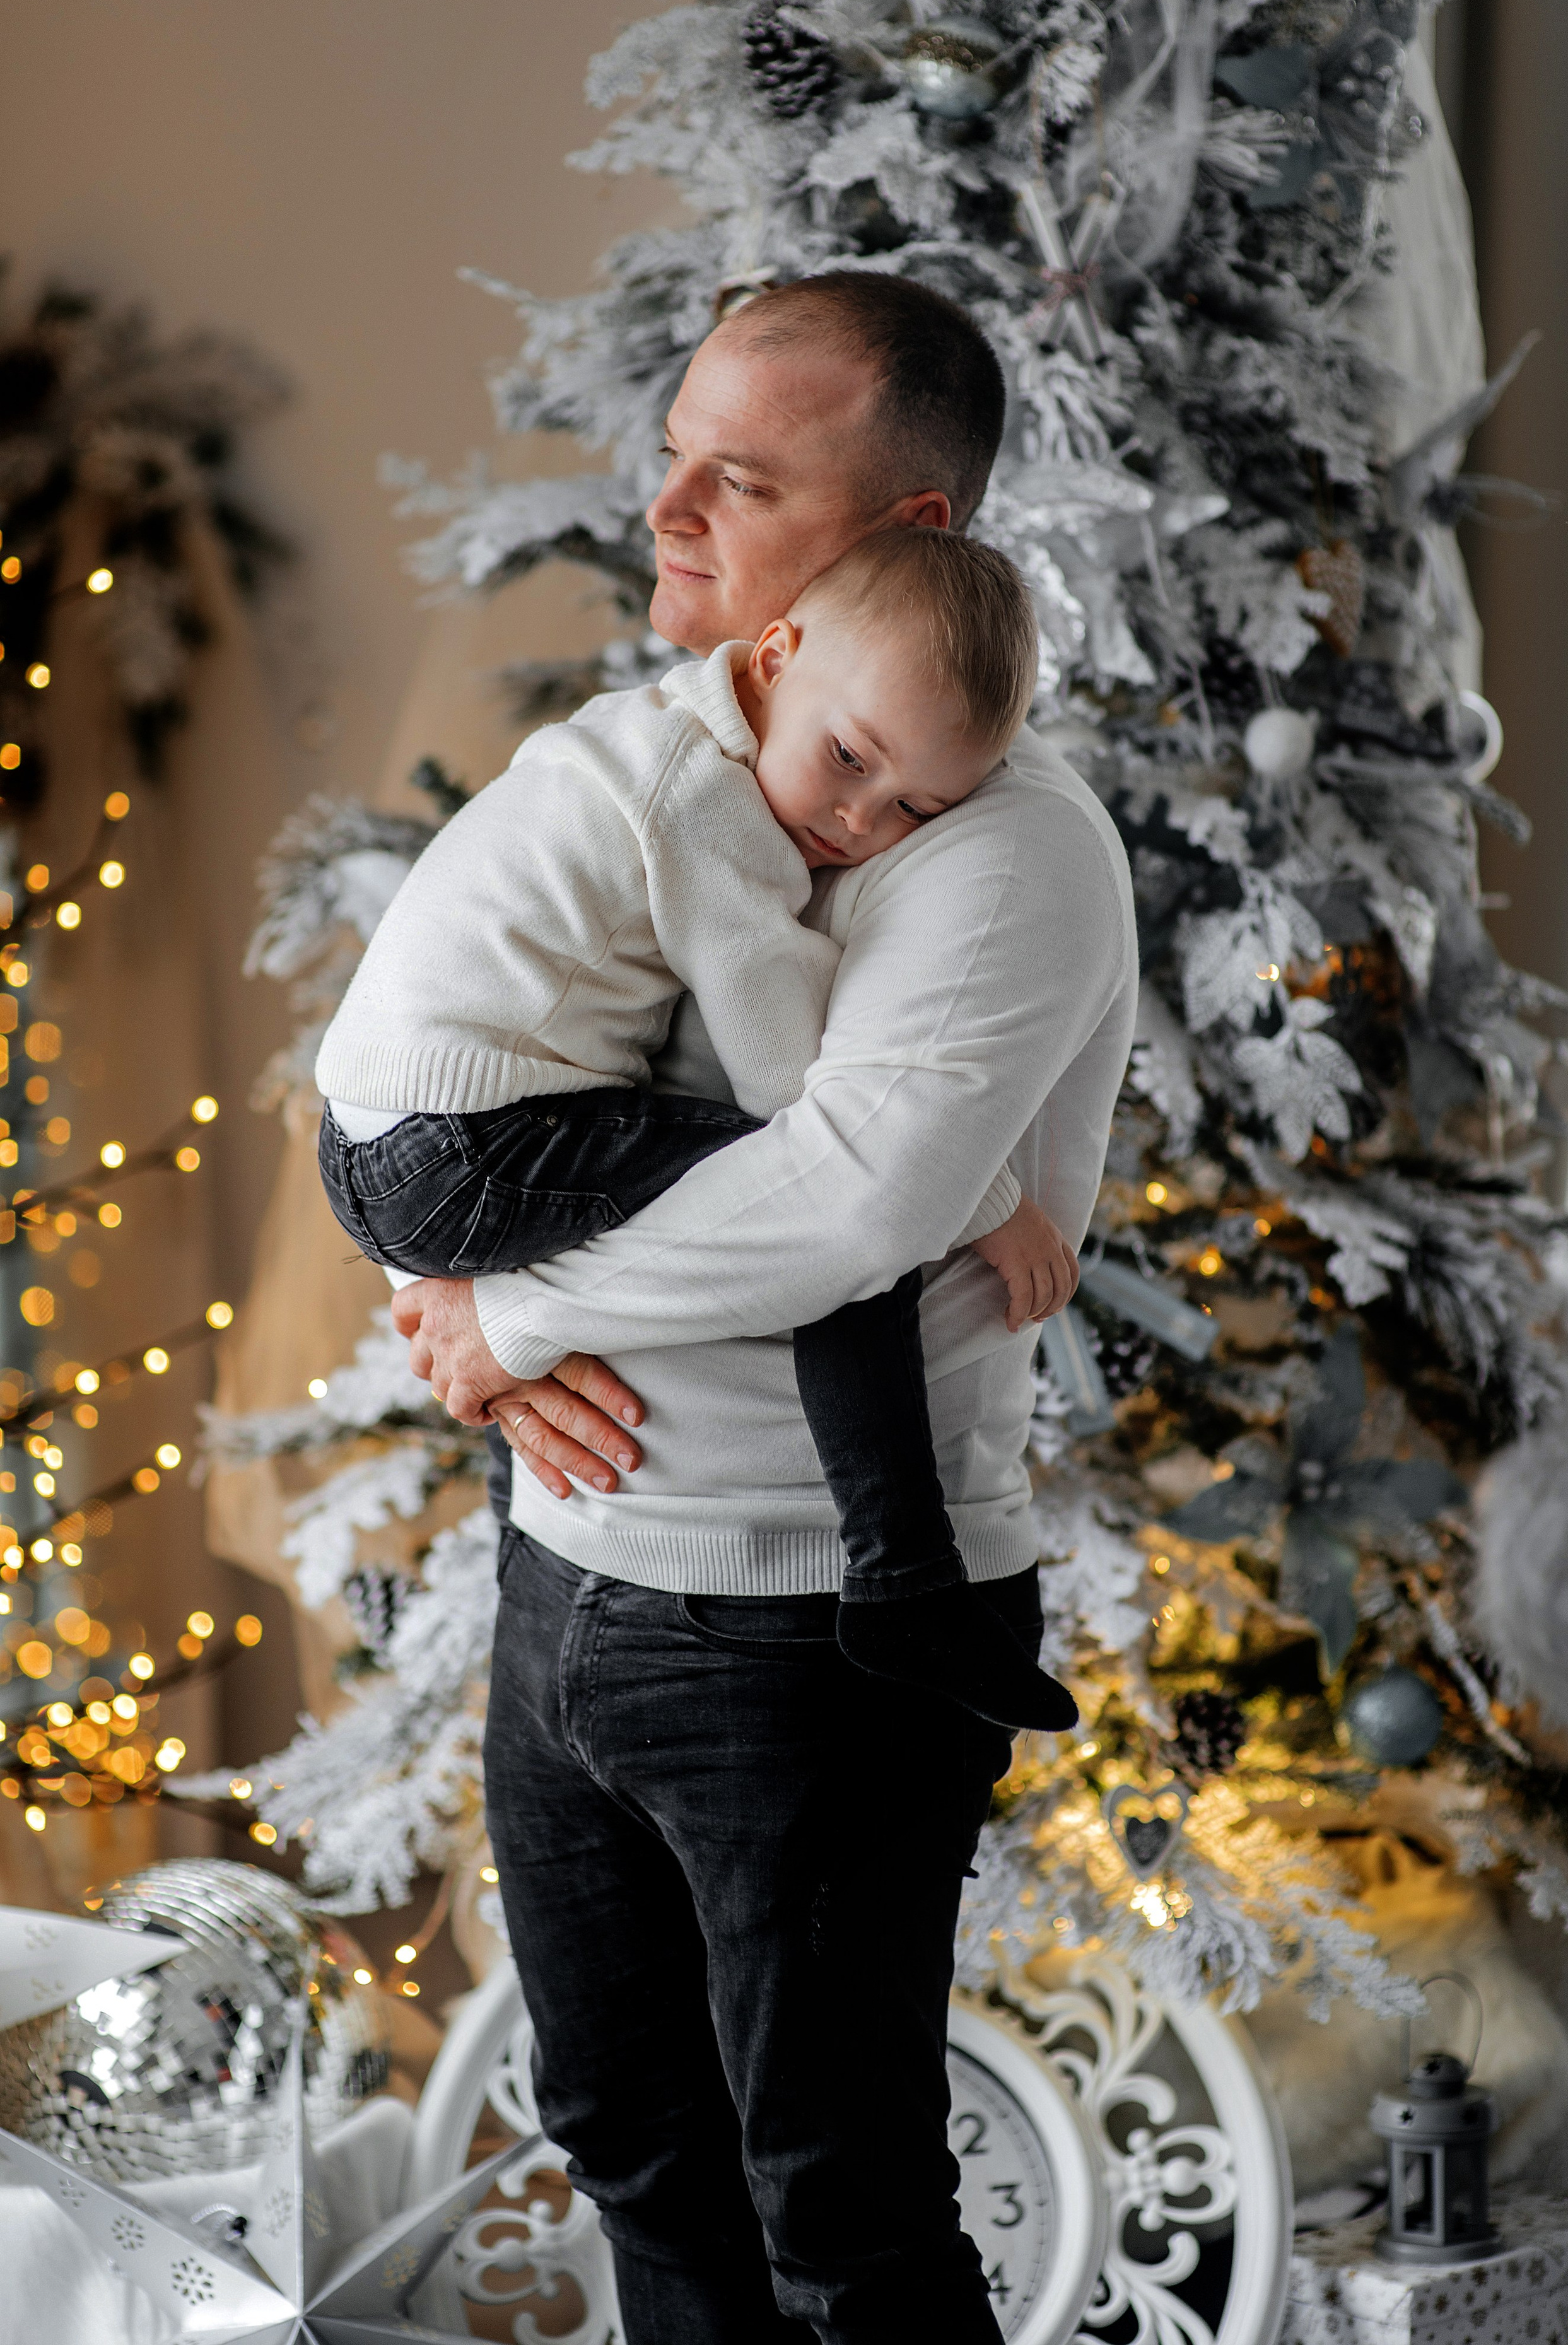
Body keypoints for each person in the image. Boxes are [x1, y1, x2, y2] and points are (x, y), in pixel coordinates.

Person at [395, 272, 1138, 2343]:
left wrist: (507, 1319)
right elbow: (450, 1036)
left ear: (905, 536)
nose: (670, 513)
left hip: (812, 1633)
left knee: (844, 2216)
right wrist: (431, 1265)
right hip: (571, 1585)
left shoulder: (1001, 841)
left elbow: (854, 1194)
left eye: (744, 476)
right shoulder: (666, 790)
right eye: (670, 460)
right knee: (639, 2156)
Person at [315, 525, 1079, 1730]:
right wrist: (987, 1197)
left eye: (914, 808)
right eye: (849, 758)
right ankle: (906, 1581)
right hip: (467, 1139)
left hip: (368, 1132)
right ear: (774, 654)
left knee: (813, 1201)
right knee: (840, 1225)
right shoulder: (704, 808)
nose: (860, 818)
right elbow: (810, 1105)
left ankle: (904, 1583)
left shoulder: (650, 727)